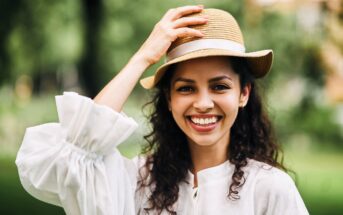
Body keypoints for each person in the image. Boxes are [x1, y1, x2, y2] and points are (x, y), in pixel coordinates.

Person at [16, 5, 309, 215]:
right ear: (169, 99)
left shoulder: (269, 188)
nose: (203, 102)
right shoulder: (138, 181)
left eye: (219, 86)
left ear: (243, 94)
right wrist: (143, 57)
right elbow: (74, 153)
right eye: (186, 88)